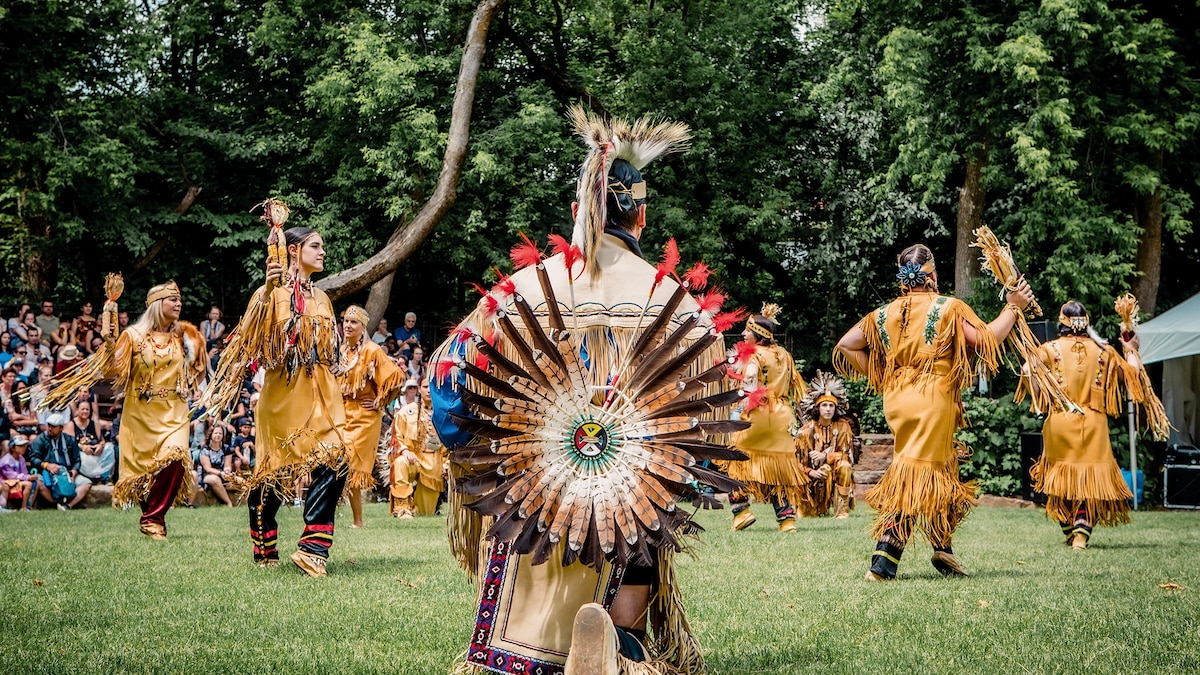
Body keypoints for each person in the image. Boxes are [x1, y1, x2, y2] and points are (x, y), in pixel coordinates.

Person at [432, 107, 742, 675]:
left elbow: (451, 381)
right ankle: (617, 650)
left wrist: (474, 449)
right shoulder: (672, 302)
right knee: (628, 571)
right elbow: (716, 407)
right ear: (641, 218)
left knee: (532, 578)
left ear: (577, 213)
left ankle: (537, 658)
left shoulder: (522, 288)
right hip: (632, 489)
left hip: (530, 485)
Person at [835, 243, 1033, 580]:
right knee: (916, 473)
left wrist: (883, 374)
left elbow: (845, 345)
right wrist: (1013, 308)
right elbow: (984, 340)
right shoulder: (948, 307)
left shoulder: (883, 313)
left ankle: (944, 547)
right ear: (933, 275)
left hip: (898, 398)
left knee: (939, 466)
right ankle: (884, 560)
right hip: (933, 398)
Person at [199, 221, 348, 577]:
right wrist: (269, 291)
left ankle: (313, 548)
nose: (323, 252)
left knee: (337, 459)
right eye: (316, 246)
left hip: (322, 397)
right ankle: (265, 545)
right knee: (274, 477)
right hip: (283, 398)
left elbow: (332, 350)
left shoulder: (323, 298)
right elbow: (255, 342)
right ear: (294, 251)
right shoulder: (272, 294)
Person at [37, 281, 207, 537]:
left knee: (177, 457)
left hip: (175, 409)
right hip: (141, 410)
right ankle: (153, 518)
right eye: (172, 299)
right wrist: (108, 343)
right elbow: (111, 372)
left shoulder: (186, 335)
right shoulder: (133, 336)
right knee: (143, 470)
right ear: (156, 305)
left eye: (179, 299)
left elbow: (199, 368)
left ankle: (152, 517)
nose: (178, 303)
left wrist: (194, 381)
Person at [1023, 302, 1160, 549]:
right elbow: (1132, 375)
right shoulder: (1104, 352)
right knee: (1091, 483)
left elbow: (1026, 371)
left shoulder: (1048, 349)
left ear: (1061, 323)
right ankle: (1080, 536)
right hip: (1094, 424)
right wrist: (1130, 349)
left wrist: (1044, 398)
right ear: (1086, 323)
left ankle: (1070, 530)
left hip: (1059, 422)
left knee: (1059, 481)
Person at [724, 304, 814, 533]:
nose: (743, 334)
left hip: (759, 412)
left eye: (746, 330)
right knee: (779, 469)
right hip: (782, 415)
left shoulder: (753, 354)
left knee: (737, 462)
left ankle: (741, 512)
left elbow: (751, 380)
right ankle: (787, 520)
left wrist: (740, 404)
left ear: (757, 335)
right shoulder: (784, 355)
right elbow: (796, 387)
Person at [337, 304, 403, 528]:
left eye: (353, 322)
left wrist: (379, 401)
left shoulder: (372, 351)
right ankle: (347, 516)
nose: (348, 325)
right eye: (346, 321)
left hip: (364, 417)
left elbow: (396, 377)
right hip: (341, 412)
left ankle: (358, 520)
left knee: (353, 465)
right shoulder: (341, 351)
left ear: (363, 326)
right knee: (338, 462)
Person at [794, 371, 858, 518]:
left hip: (833, 472)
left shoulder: (843, 427)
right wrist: (811, 472)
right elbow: (794, 462)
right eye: (824, 405)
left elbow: (847, 456)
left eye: (831, 405)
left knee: (845, 467)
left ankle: (841, 511)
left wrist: (826, 456)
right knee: (806, 515)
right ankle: (813, 505)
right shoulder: (805, 432)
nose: (828, 409)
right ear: (817, 408)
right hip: (810, 479)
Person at [386, 380, 445, 518]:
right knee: (400, 463)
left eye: (432, 387)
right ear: (419, 389)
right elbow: (396, 437)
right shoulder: (406, 412)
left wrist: (446, 463)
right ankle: (402, 508)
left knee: (425, 513)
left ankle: (424, 508)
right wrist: (405, 451)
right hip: (412, 458)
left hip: (434, 463)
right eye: (425, 387)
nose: (429, 391)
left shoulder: (444, 413)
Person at [29, 413, 92, 510]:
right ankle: (56, 503)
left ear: (61, 428)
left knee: (86, 483)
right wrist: (47, 465)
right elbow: (33, 458)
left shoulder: (70, 440)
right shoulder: (40, 440)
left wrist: (73, 473)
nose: (50, 429)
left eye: (53, 427)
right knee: (38, 482)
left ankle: (68, 505)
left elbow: (77, 460)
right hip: (46, 472)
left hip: (67, 472)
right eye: (49, 425)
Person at [64, 399, 113, 484]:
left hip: (94, 451)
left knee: (110, 448)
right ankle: (93, 477)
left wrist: (100, 446)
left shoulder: (94, 423)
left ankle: (104, 475)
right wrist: (83, 447)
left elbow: (101, 440)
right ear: (77, 410)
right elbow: (69, 443)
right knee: (82, 457)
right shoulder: (71, 424)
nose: (85, 411)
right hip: (81, 452)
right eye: (82, 409)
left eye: (87, 409)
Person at [192, 423, 235, 507]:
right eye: (216, 433)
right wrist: (220, 473)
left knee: (239, 480)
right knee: (215, 479)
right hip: (207, 475)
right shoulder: (205, 449)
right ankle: (229, 503)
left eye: (220, 433)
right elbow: (207, 468)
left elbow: (227, 465)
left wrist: (227, 470)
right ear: (211, 434)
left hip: (223, 474)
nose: (218, 435)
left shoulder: (226, 448)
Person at [1, 434, 34, 510]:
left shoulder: (21, 458)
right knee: (28, 484)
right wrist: (27, 477)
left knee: (35, 482)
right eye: (20, 446)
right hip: (6, 481)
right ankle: (23, 507)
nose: (24, 448)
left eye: (24, 445)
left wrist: (28, 477)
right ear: (12, 448)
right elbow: (11, 476)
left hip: (16, 480)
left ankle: (30, 506)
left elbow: (24, 471)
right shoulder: (6, 461)